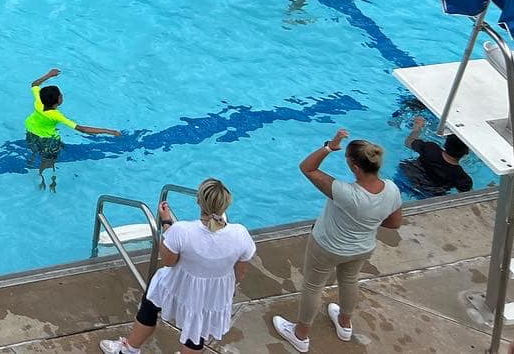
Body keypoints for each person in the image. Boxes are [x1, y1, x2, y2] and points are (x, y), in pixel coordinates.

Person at [271, 131, 402, 352]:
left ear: (355, 168)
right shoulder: (391, 189)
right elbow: (395, 223)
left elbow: (307, 168)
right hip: (362, 248)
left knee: (313, 287)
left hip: (327, 247)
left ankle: (300, 335)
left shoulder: (345, 192)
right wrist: (367, 221)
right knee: (349, 281)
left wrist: (329, 147)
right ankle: (344, 324)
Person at [99, 179, 255, 353]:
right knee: (197, 328)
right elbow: (240, 273)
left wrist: (166, 223)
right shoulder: (240, 234)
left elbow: (169, 261)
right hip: (214, 294)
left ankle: (129, 350)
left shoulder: (182, 231)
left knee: (151, 302)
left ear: (199, 201)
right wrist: (221, 288)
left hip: (179, 286)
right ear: (226, 204)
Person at [23, 68, 121, 190]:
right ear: (57, 101)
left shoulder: (39, 101)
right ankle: (43, 177)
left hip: (31, 130)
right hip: (47, 139)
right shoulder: (56, 115)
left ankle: (31, 161)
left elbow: (34, 84)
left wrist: (49, 75)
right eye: (60, 95)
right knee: (48, 160)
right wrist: (109, 131)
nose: (62, 95)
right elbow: (82, 129)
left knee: (34, 149)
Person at [400, 116, 472, 196]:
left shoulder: (430, 148)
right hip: (428, 192)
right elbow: (466, 195)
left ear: (445, 144)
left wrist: (417, 128)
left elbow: (408, 142)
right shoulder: (461, 177)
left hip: (407, 175)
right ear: (467, 152)